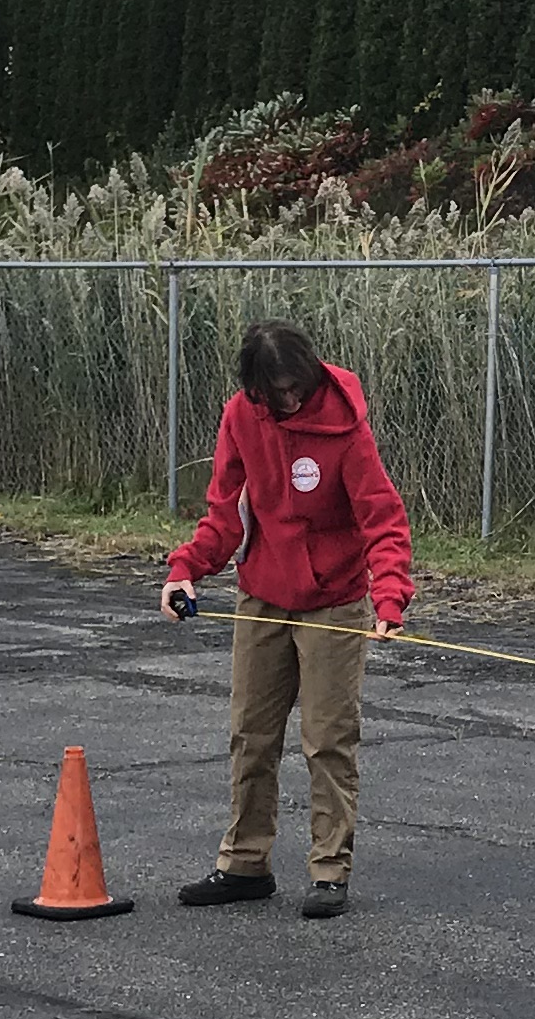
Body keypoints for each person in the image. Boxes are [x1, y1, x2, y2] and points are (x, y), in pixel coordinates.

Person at [160, 321, 412, 919]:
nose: (290, 401)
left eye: (295, 387)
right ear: (254, 391)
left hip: (334, 603)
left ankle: (329, 872)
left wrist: (390, 597)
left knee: (328, 740)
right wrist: (186, 569)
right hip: (263, 597)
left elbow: (382, 516)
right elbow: (226, 511)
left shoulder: (344, 426)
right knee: (251, 734)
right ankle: (245, 864)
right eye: (275, 393)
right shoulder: (242, 418)